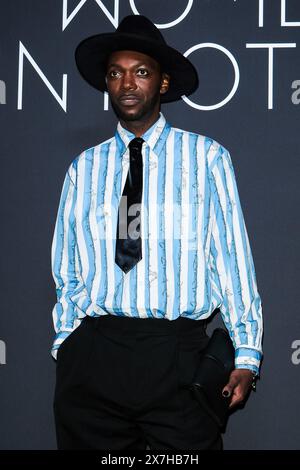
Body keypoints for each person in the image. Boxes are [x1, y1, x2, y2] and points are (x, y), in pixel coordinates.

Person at [51, 15, 263, 450]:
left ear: (163, 83)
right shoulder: (83, 168)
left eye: (141, 72)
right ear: (106, 84)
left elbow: (231, 261)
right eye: (115, 73)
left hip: (177, 359)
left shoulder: (207, 159)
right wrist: (67, 342)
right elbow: (66, 266)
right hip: (95, 357)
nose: (127, 83)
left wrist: (247, 352)